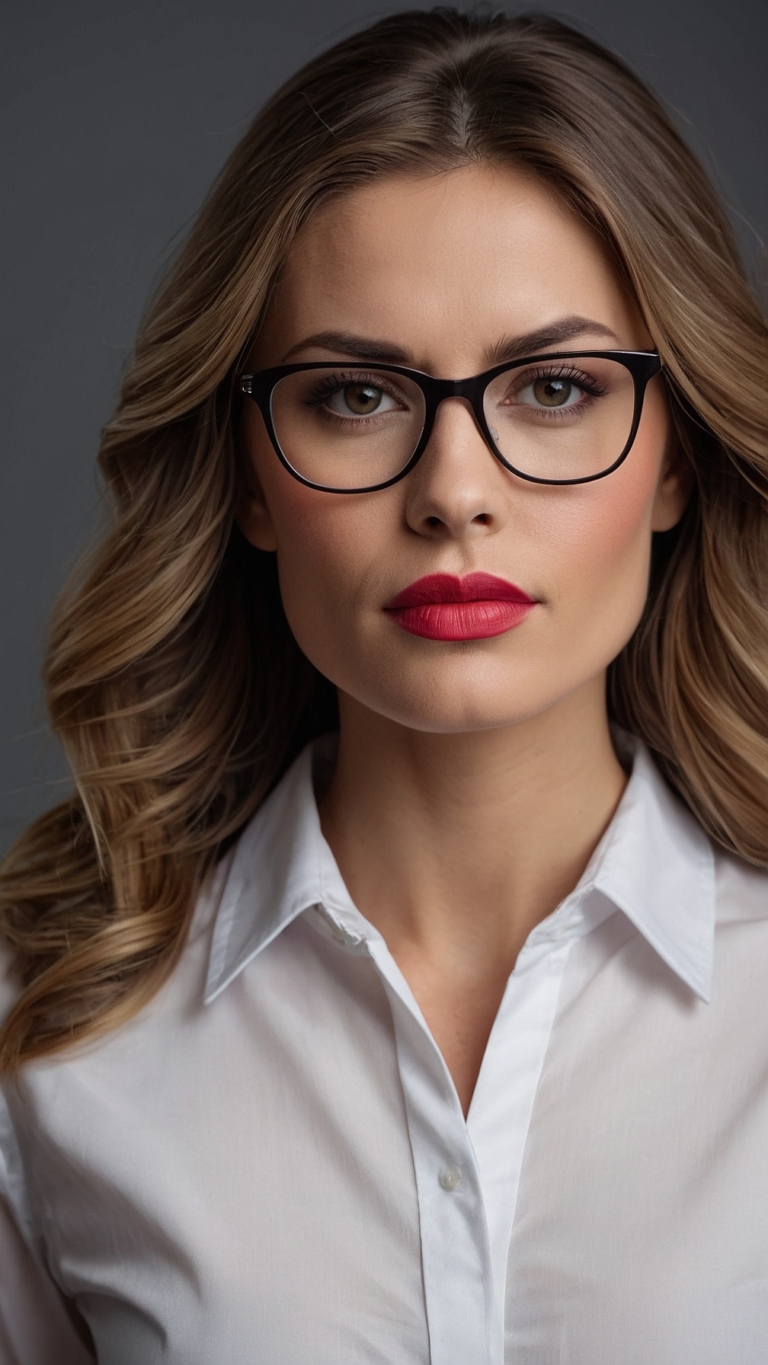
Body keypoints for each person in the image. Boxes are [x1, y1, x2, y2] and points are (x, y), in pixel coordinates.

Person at [1, 8, 767, 1363]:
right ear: (246, 473)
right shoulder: (49, 1034)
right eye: (355, 396)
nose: (454, 493)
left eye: (556, 387)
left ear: (678, 461)